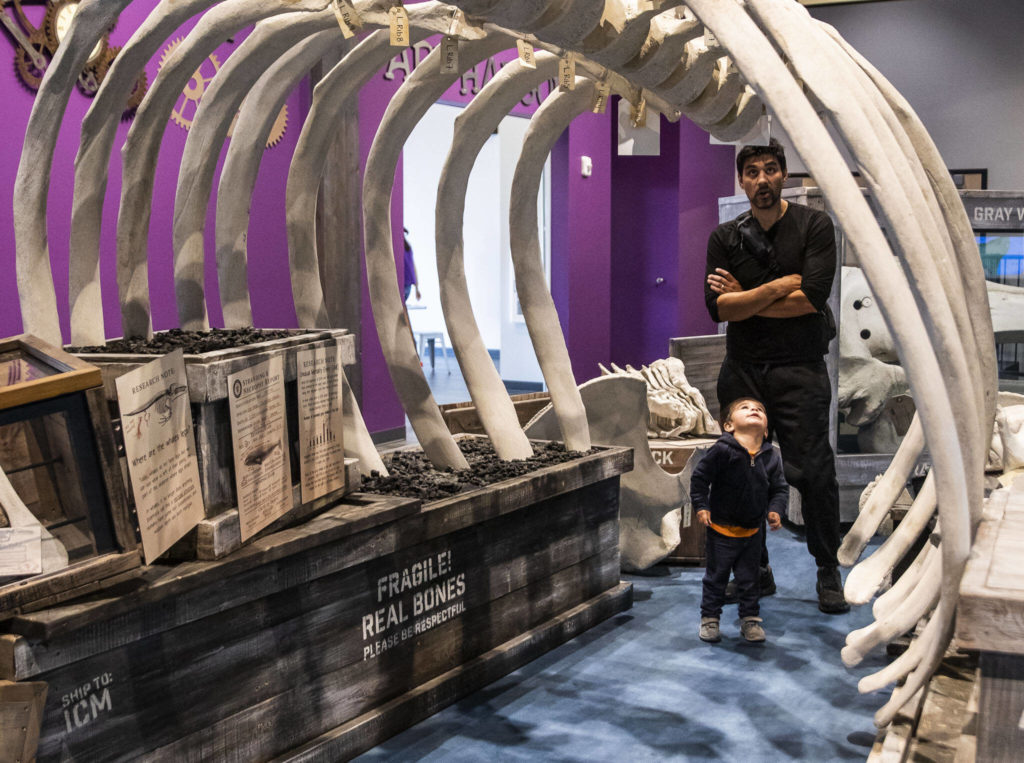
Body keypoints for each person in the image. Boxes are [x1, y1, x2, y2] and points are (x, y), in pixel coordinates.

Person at [704, 139, 848, 614]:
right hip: (743, 371)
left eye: (769, 170)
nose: (761, 179)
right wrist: (775, 287)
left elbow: (811, 298)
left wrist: (748, 298)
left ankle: (827, 568)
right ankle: (755, 570)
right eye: (751, 172)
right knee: (740, 474)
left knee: (814, 472)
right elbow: (720, 309)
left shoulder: (814, 226)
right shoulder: (725, 237)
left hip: (800, 370)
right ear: (741, 180)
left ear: (783, 174)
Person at [691, 397, 786, 643]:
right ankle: (710, 619)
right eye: (745, 408)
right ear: (729, 426)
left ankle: (750, 620)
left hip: (752, 534)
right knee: (716, 579)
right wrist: (701, 506)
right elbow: (700, 478)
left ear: (766, 429)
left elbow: (779, 488)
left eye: (759, 410)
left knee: (749, 580)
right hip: (720, 531)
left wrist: (775, 510)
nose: (753, 409)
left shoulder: (771, 456)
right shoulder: (723, 450)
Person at [403, 228, 421, 303]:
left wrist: (417, 288)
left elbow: (413, 267)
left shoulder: (406, 248)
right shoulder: (407, 247)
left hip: (405, 285)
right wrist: (417, 288)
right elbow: (413, 268)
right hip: (407, 284)